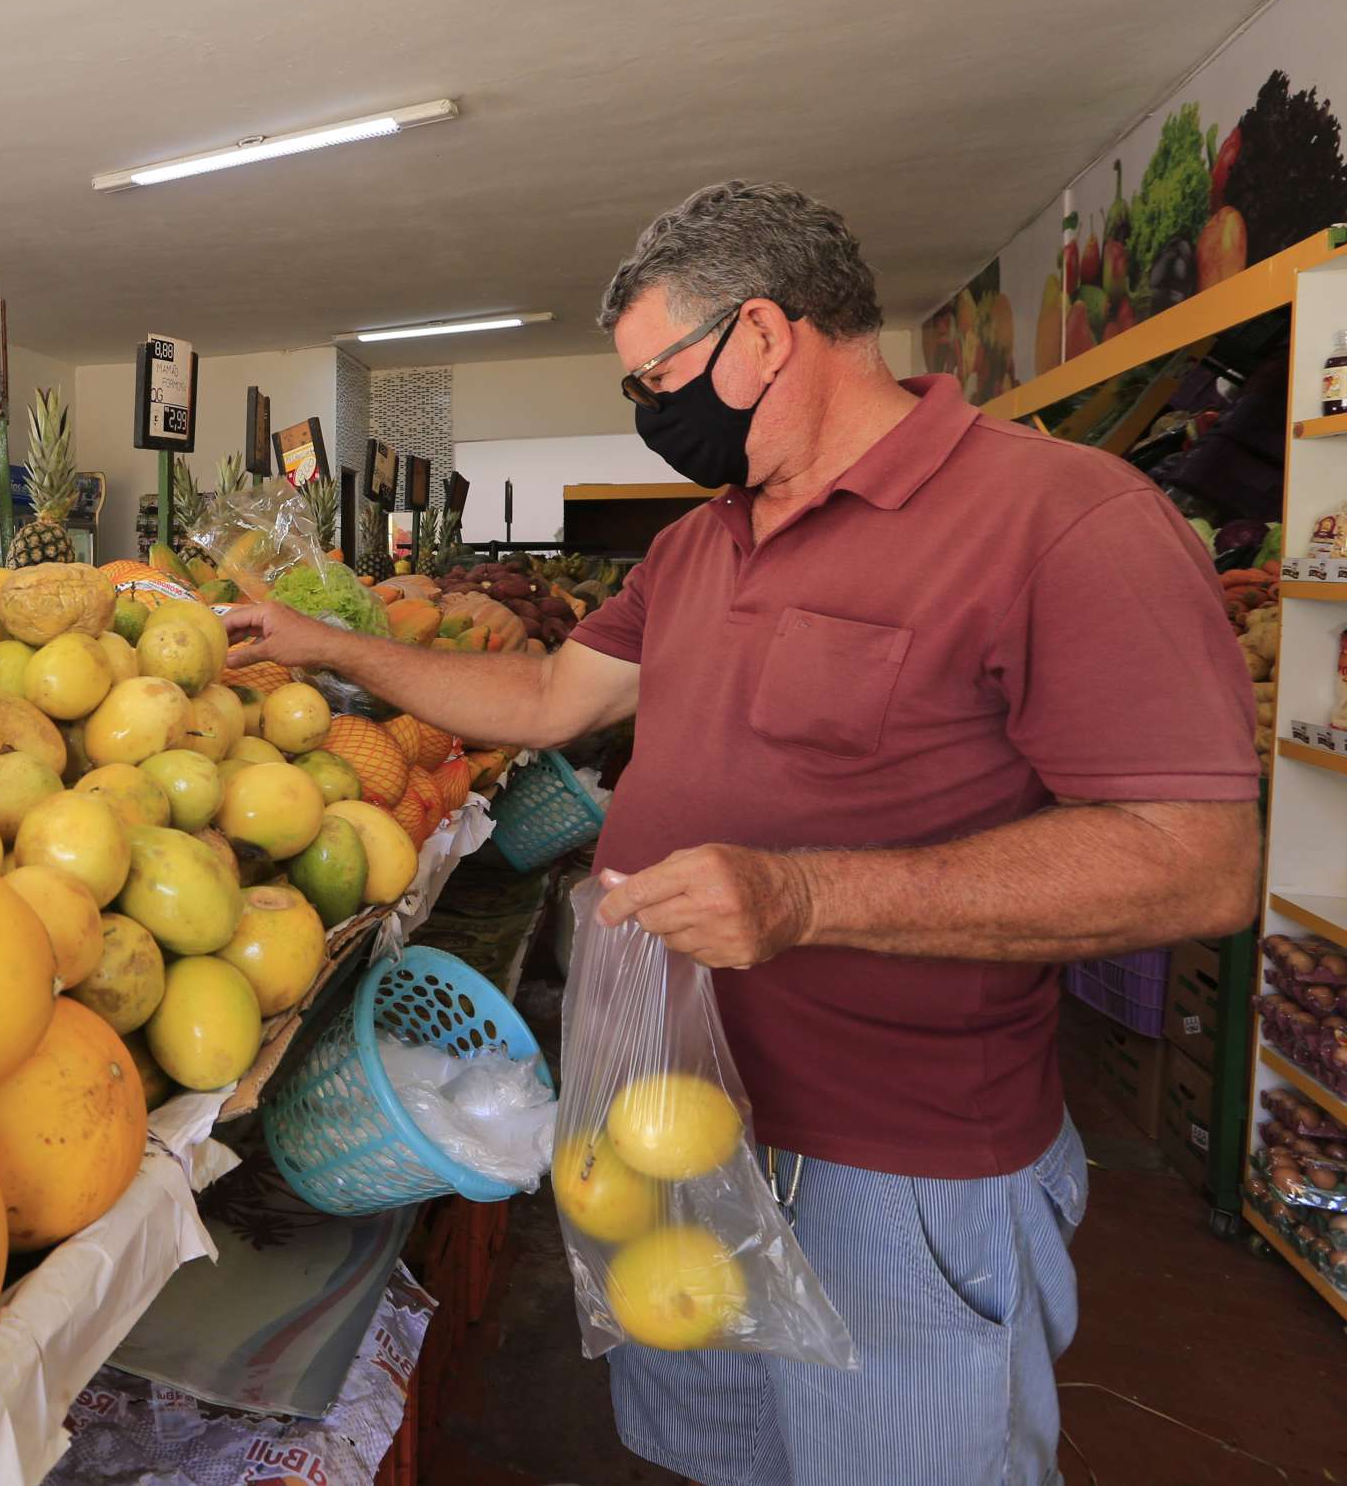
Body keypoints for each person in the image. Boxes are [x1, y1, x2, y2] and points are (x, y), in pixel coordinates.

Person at [222, 180, 1260, 1486]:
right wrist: (322, 644)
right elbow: (548, 699)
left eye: (658, 378)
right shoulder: (701, 549)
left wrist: (806, 898)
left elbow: (1197, 860)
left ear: (765, 335)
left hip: (898, 1172)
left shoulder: (1066, 520)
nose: (652, 416)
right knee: (721, 1461)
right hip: (677, 1129)